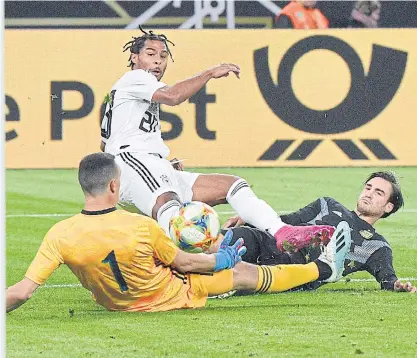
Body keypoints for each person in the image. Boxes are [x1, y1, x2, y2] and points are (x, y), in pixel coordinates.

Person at [6, 153, 352, 313]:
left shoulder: (59, 234)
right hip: (170, 295)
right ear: (115, 185)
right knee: (243, 274)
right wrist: (222, 259)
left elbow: (21, 292)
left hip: (114, 304)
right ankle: (323, 269)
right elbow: (187, 265)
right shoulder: (141, 225)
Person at [99, 27, 334, 252]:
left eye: (163, 55)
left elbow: (105, 144)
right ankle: (208, 269)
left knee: (232, 185)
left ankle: (282, 232)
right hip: (133, 162)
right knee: (175, 215)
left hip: (141, 166)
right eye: (150, 54)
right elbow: (173, 96)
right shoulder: (135, 78)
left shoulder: (125, 93)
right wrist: (209, 73)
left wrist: (157, 165)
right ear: (134, 58)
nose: (158, 61)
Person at [219, 171, 416, 293]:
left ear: (388, 207)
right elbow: (286, 222)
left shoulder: (376, 246)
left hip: (292, 271)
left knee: (227, 283)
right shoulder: (327, 205)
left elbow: (387, 278)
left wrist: (398, 285)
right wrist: (252, 218)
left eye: (378, 193)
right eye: (368, 187)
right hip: (267, 243)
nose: (369, 194)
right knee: (222, 239)